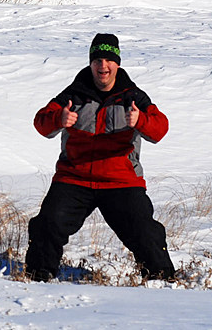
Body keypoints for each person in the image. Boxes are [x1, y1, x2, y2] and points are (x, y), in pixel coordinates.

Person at [24, 33, 176, 283]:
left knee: (145, 231)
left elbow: (160, 129)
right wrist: (58, 119)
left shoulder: (133, 96)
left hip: (120, 181)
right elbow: (41, 122)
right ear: (90, 63)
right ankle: (37, 278)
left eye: (108, 60)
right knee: (48, 223)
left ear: (117, 63)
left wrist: (141, 121)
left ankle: (162, 280)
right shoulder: (73, 94)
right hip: (74, 178)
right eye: (97, 60)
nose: (102, 66)